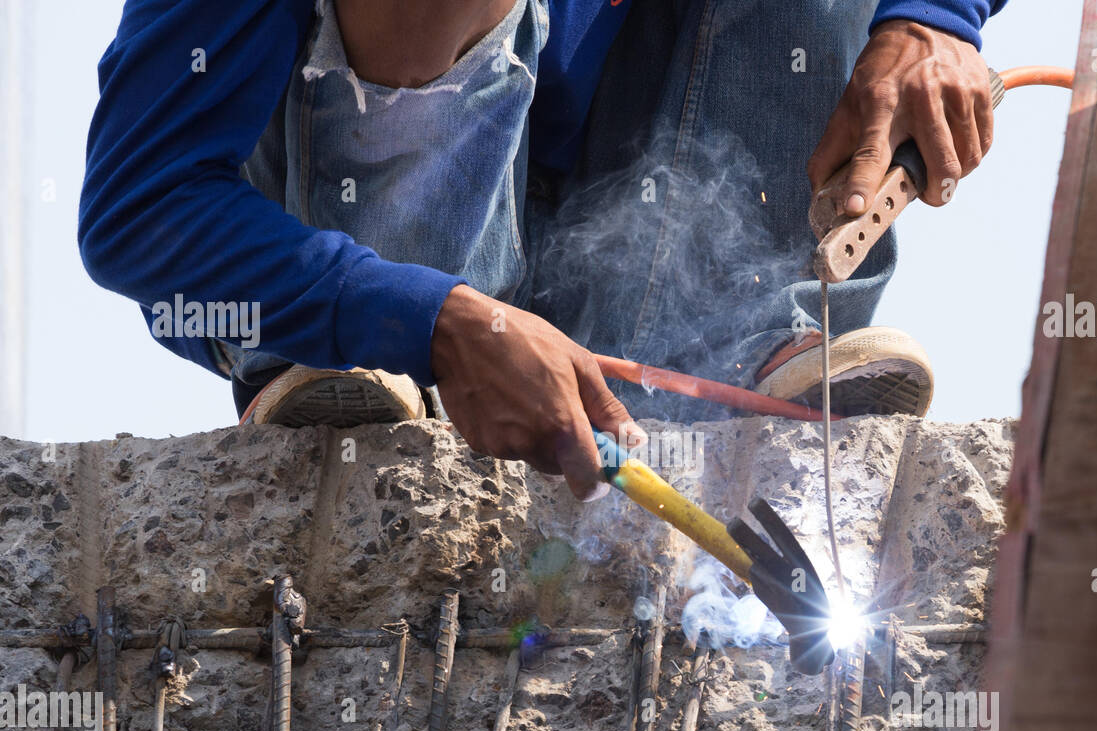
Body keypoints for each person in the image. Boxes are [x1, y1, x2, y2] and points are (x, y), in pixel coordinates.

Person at [80, 0, 1004, 502]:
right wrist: (427, 319)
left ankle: (747, 330)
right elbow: (140, 206)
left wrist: (934, 16)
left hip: (639, 299)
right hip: (386, 297)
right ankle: (359, 366)